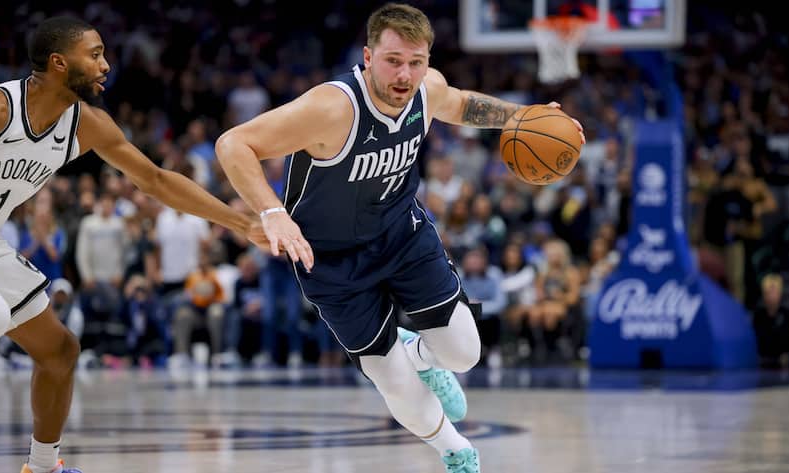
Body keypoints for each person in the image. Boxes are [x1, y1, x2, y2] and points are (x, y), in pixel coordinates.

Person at [216, 4, 584, 471]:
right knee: (391, 378)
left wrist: (527, 116)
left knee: (465, 353)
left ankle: (421, 354)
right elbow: (233, 143)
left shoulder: (427, 91)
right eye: (393, 61)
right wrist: (273, 213)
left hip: (401, 234)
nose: (405, 75)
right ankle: (456, 451)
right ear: (368, 57)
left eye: (416, 62)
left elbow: (461, 104)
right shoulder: (332, 108)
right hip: (329, 257)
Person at [0, 16, 272, 473]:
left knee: (59, 352)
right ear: (59, 63)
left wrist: (241, 222)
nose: (105, 65)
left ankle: (44, 467)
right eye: (94, 54)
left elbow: (155, 180)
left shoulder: (86, 125)